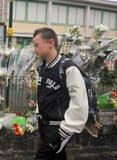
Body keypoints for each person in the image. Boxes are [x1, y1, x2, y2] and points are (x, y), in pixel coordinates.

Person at [32, 27, 88, 160]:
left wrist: (66, 130)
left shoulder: (68, 68)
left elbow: (80, 102)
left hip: (58, 129)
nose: (35, 49)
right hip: (44, 126)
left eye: (37, 45)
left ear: (50, 43)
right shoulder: (42, 68)